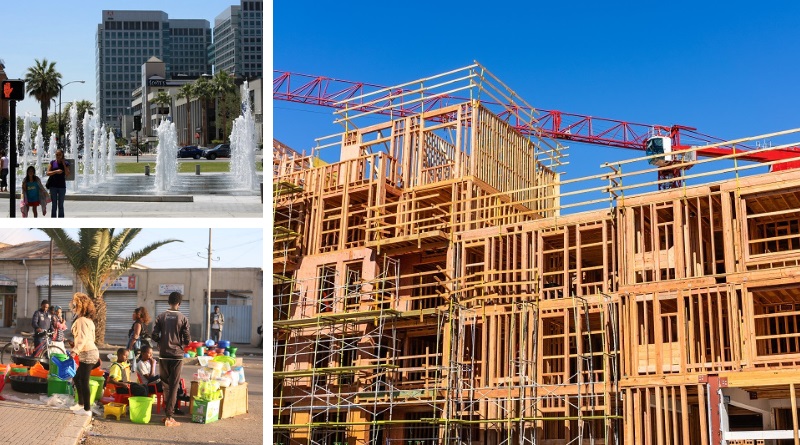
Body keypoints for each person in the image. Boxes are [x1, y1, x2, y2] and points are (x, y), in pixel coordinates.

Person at [152, 291, 191, 427]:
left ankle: (167, 414)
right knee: (174, 386)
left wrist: (162, 341)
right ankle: (169, 416)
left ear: (168, 302)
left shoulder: (161, 317)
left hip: (163, 355)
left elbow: (154, 336)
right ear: (179, 304)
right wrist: (180, 345)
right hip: (177, 356)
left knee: (166, 385)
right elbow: (187, 339)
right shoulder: (183, 318)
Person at [67, 292, 99, 417]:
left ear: (81, 307)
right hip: (90, 351)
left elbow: (83, 338)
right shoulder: (88, 320)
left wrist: (75, 350)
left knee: (84, 380)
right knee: (77, 378)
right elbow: (90, 338)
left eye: (75, 306)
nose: (73, 308)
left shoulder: (81, 320)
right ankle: (81, 404)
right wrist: (75, 346)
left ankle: (86, 409)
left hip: (87, 353)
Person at [136, 344, 188, 413]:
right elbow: (150, 378)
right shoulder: (140, 364)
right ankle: (176, 404)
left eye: (152, 353)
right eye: (149, 353)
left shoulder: (147, 362)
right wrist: (152, 365)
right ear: (143, 353)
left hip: (154, 383)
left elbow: (153, 377)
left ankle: (177, 401)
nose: (151, 355)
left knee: (173, 380)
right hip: (149, 386)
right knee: (168, 384)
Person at [46, 149, 70, 218]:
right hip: (53, 186)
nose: (58, 156)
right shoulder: (52, 162)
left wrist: (64, 164)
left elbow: (67, 174)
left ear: (62, 155)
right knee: (54, 204)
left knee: (61, 205)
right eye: (57, 155)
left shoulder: (66, 163)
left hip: (62, 186)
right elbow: (48, 173)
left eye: (60, 155)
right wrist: (56, 171)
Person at [126, 306, 150, 372]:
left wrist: (129, 348)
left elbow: (136, 336)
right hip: (143, 347)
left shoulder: (138, 323)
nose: (132, 315)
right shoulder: (143, 323)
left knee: (131, 363)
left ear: (138, 315)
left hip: (137, 347)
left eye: (134, 313)